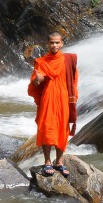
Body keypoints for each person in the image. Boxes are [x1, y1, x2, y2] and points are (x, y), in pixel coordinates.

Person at [28, 32, 79, 177]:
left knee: (62, 129)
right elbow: (35, 84)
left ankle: (59, 162)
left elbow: (74, 80)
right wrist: (37, 80)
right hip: (48, 99)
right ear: (48, 44)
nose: (54, 45)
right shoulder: (42, 62)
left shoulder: (68, 60)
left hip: (64, 99)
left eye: (57, 42)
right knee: (47, 128)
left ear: (62, 43)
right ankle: (47, 161)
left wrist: (74, 96)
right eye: (52, 42)